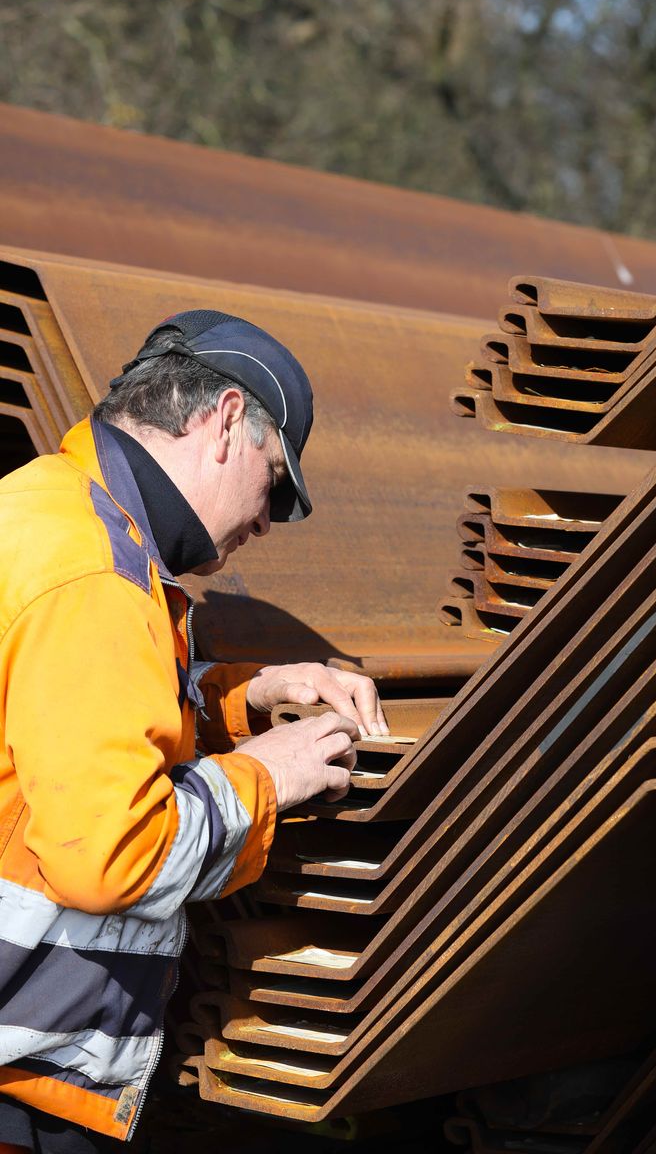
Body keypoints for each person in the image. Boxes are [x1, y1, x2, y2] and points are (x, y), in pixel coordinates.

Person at [0, 310, 388, 1152]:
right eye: (276, 483)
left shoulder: (53, 513)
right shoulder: (94, 576)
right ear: (222, 425)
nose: (266, 523)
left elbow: (60, 727)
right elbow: (111, 857)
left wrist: (247, 698)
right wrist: (265, 777)